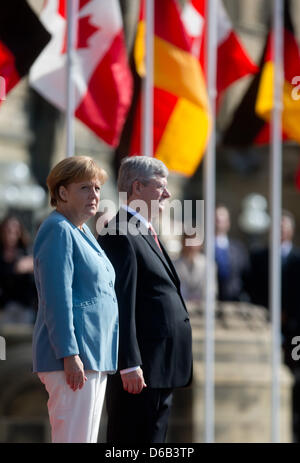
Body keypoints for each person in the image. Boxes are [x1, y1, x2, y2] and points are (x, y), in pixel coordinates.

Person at [98, 156, 193, 444]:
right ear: (137, 187)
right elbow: (119, 303)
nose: (168, 194)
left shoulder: (145, 231)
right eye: (161, 187)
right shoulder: (120, 231)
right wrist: (128, 362)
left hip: (159, 366)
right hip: (140, 369)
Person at [32, 156, 119, 443]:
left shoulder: (81, 230)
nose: (94, 195)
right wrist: (69, 354)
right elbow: (57, 297)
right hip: (72, 358)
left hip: (93, 354)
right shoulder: (58, 228)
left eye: (97, 188)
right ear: (62, 192)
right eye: (85, 188)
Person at [0, 215, 37, 324]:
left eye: (14, 231)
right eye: (7, 231)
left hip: (25, 306)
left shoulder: (26, 251)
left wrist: (30, 265)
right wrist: (15, 267)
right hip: (5, 307)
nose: (10, 234)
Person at [173, 231, 217, 309]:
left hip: (202, 312)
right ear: (182, 242)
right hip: (180, 309)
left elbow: (211, 292)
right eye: (188, 240)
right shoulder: (174, 265)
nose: (191, 245)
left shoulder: (208, 265)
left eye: (194, 240)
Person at [215, 204, 250, 302]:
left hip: (234, 301)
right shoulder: (203, 248)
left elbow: (246, 274)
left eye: (222, 221)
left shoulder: (238, 248)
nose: (219, 224)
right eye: (216, 220)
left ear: (228, 223)